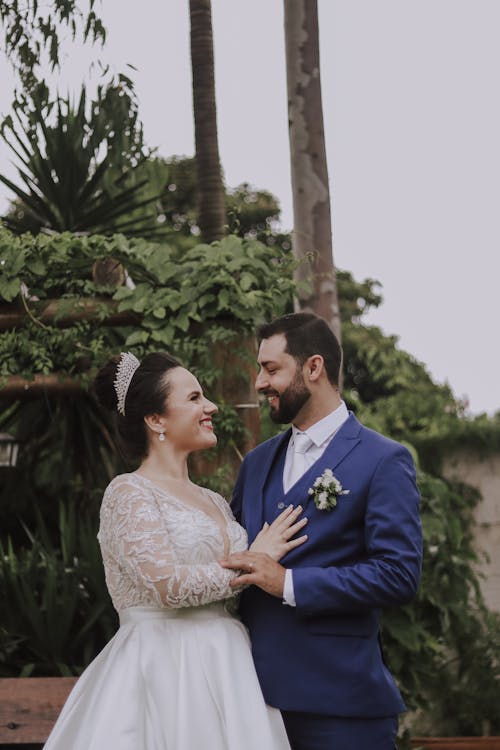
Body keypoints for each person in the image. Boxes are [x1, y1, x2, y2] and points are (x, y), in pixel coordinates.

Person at [43, 350, 308, 750]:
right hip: (163, 668)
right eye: (194, 398)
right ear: (155, 420)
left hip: (230, 666)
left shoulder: (215, 501)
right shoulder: (128, 492)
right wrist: (256, 561)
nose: (211, 406)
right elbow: (164, 584)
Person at [221, 312, 423, 750]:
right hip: (250, 704)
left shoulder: (383, 460)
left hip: (340, 706)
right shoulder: (256, 463)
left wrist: (288, 582)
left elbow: (398, 574)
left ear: (314, 368)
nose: (259, 382)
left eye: (271, 369)